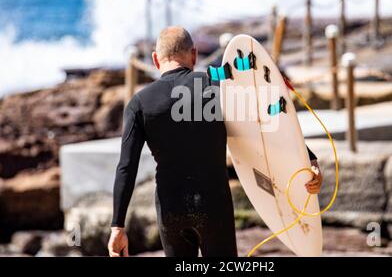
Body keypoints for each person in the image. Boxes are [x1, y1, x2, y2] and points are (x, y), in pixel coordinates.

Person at [108, 26, 323, 257]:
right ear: (194, 55)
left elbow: (126, 167)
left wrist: (117, 227)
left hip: (171, 209)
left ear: (155, 60)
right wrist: (309, 160)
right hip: (214, 205)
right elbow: (266, 124)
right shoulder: (215, 86)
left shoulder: (139, 103)